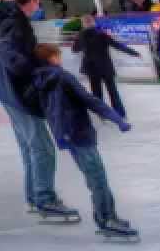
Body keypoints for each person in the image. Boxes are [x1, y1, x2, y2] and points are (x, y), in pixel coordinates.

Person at [0, 0, 75, 221]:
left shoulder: (8, 18)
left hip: (6, 90)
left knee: (29, 145)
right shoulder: (15, 22)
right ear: (31, 0)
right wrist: (33, 70)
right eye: (38, 0)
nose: (39, 5)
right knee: (42, 147)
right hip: (15, 91)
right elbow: (6, 52)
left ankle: (34, 197)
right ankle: (45, 199)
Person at [30, 44, 137, 240]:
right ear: (52, 58)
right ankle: (107, 219)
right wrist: (117, 119)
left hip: (65, 133)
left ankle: (107, 217)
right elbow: (90, 100)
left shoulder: (39, 79)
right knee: (98, 178)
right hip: (78, 131)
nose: (60, 59)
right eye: (58, 55)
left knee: (94, 176)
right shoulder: (62, 77)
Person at [71, 15, 139, 119]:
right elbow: (117, 45)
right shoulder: (101, 33)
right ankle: (120, 113)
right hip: (105, 66)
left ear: (83, 24)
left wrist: (76, 40)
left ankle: (102, 113)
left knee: (96, 92)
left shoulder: (81, 35)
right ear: (93, 22)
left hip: (91, 68)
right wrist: (133, 52)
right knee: (112, 91)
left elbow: (75, 49)